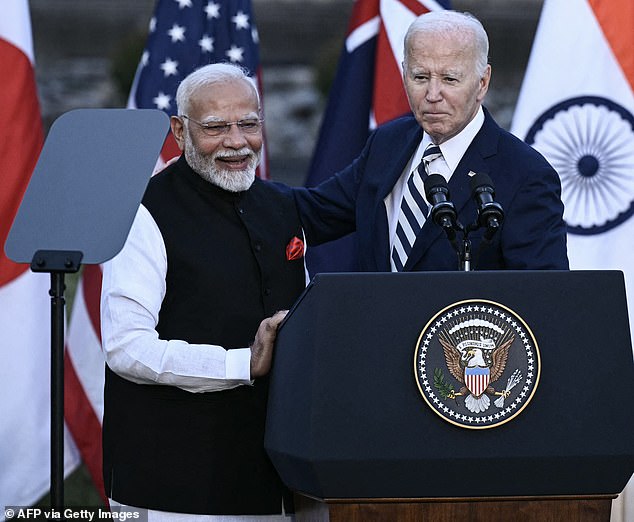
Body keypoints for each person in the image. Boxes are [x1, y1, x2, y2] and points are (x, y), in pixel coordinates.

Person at [100, 63, 306, 520]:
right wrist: (240, 363)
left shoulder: (282, 204)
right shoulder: (142, 213)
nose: (236, 141)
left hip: (277, 478)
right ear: (179, 131)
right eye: (215, 127)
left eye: (248, 124)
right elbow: (125, 346)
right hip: (172, 486)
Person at [294, 10, 569, 272]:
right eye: (420, 77)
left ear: (482, 82)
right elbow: (314, 212)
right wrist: (249, 181)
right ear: (404, 73)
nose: (433, 94)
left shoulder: (526, 175)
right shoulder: (387, 143)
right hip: (376, 321)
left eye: (449, 79)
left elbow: (542, 295)